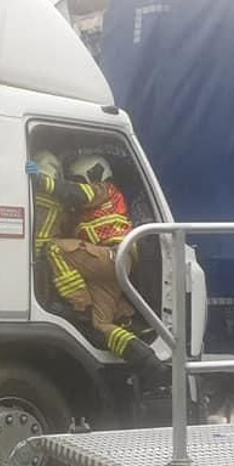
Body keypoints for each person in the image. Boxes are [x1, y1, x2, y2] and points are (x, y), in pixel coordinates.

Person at [31, 154, 163, 378]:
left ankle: (80, 305)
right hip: (111, 271)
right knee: (101, 325)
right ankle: (148, 361)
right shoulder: (82, 213)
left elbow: (77, 194)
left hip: (111, 257)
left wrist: (42, 181)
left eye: (77, 178)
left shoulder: (104, 189)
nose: (75, 183)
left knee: (54, 249)